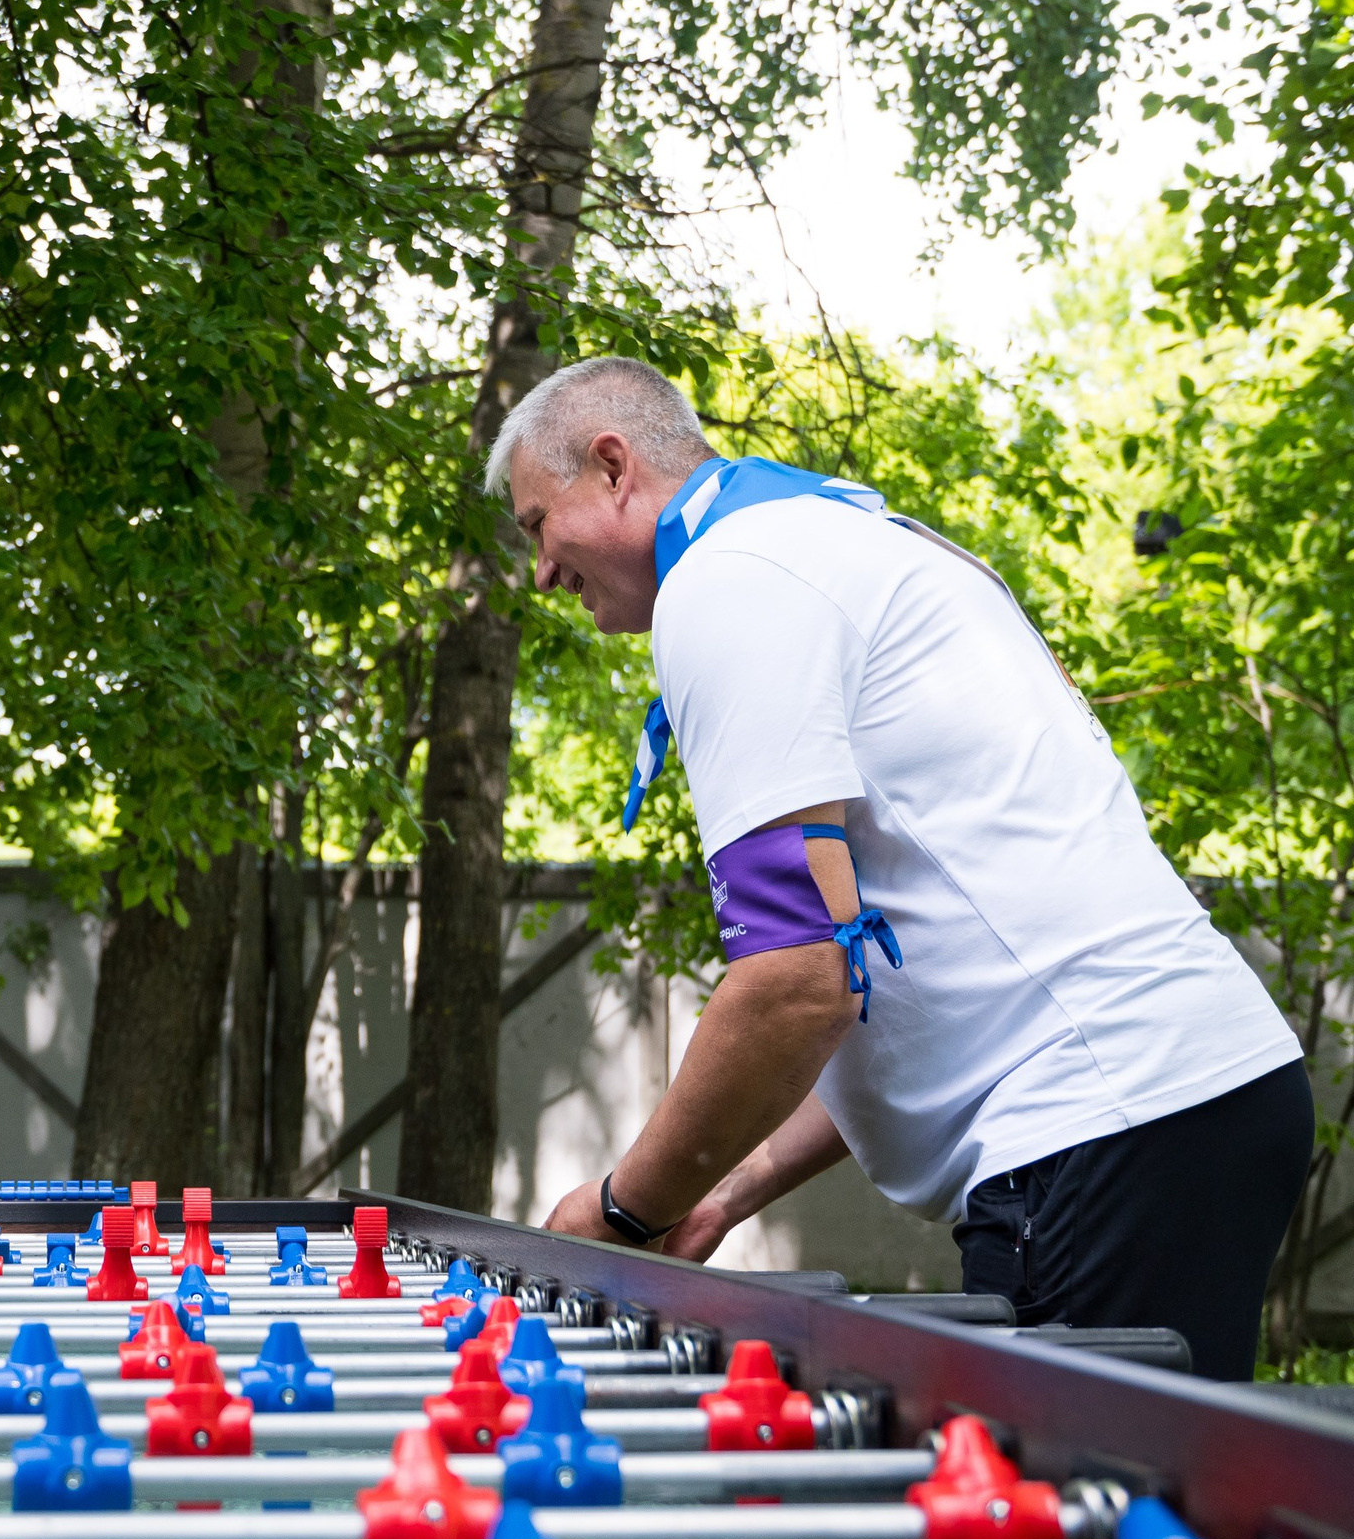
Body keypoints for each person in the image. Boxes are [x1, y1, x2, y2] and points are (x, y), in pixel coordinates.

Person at [497, 356, 1310, 1381]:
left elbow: (795, 984)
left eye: (535, 524)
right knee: (1137, 1527)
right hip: (1183, 1101)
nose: (538, 572)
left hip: (1104, 1125)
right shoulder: (838, 541)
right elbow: (895, 987)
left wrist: (624, 1206)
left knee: (1065, 1534)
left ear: (612, 466)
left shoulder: (727, 576)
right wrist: (720, 1189)